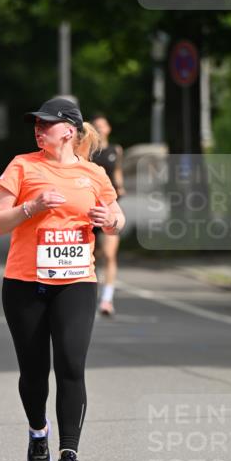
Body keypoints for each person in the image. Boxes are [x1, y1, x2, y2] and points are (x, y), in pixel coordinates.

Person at [0, 97, 125, 461]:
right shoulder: (22, 165)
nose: (38, 128)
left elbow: (117, 216)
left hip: (76, 281)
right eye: (36, 123)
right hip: (24, 282)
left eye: (46, 123)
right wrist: (31, 207)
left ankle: (69, 454)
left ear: (69, 130)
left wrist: (110, 221)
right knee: (34, 372)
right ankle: (37, 430)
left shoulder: (95, 174)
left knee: (70, 364)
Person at [90, 114, 124, 316]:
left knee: (110, 255)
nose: (101, 128)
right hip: (90, 210)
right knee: (92, 257)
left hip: (110, 208)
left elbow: (117, 171)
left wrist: (121, 187)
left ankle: (107, 300)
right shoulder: (87, 151)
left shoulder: (115, 150)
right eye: (97, 126)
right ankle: (87, 296)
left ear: (109, 128)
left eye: (104, 124)